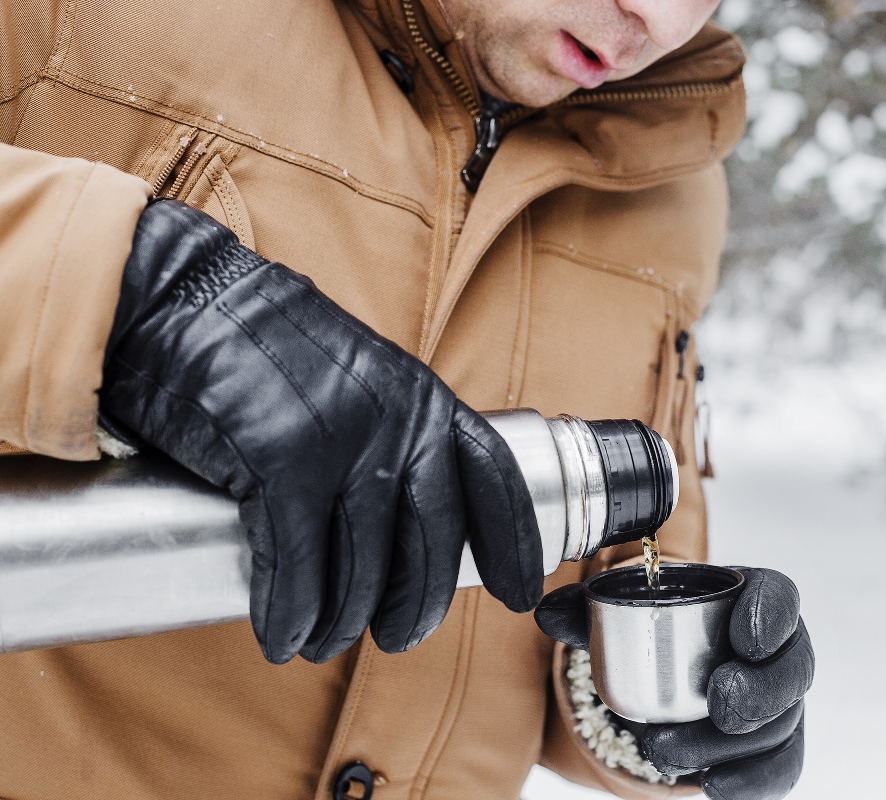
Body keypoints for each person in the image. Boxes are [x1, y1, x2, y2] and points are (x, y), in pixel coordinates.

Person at [0, 1, 812, 798]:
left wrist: (653, 702)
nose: (663, 23)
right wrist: (144, 295)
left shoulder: (675, 182)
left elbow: (594, 571)